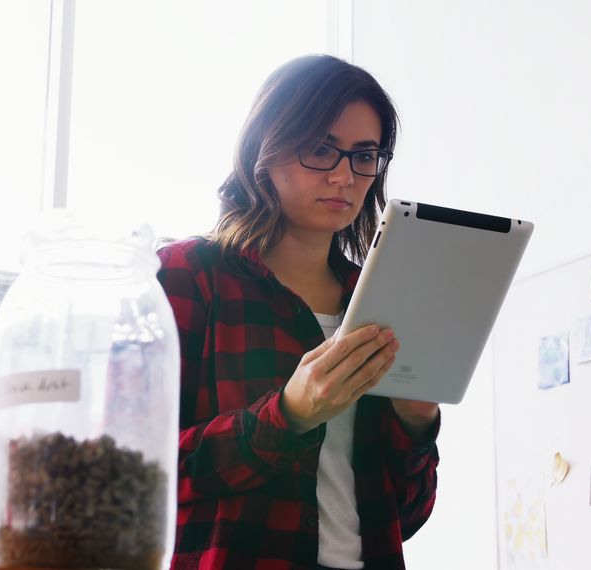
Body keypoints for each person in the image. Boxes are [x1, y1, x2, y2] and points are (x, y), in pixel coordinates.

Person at [156, 54, 440, 570]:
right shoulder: (186, 276)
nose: (344, 175)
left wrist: (417, 423)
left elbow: (408, 513)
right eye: (319, 149)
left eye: (364, 155)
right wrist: (287, 415)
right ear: (264, 149)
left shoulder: (379, 298)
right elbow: (140, 477)